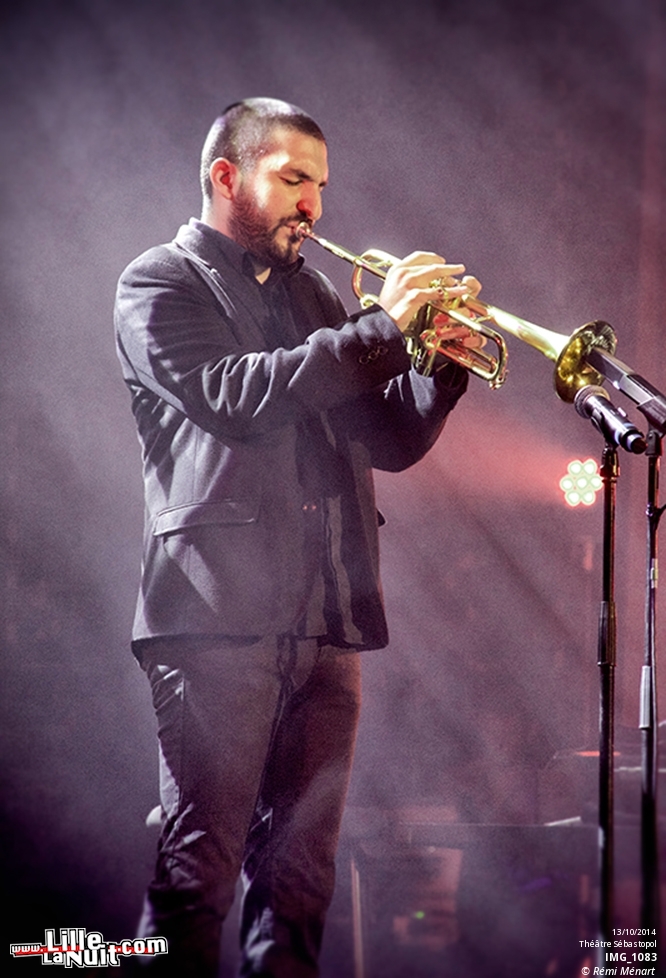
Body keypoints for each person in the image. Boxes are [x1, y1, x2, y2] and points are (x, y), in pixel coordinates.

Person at [114, 97, 481, 978]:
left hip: (327, 619)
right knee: (197, 873)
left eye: (320, 185)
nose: (313, 205)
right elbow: (239, 397)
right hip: (213, 622)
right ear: (227, 177)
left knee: (301, 886)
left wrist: (442, 369)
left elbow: (385, 441)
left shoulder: (315, 293)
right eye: (292, 180)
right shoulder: (158, 281)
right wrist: (385, 328)